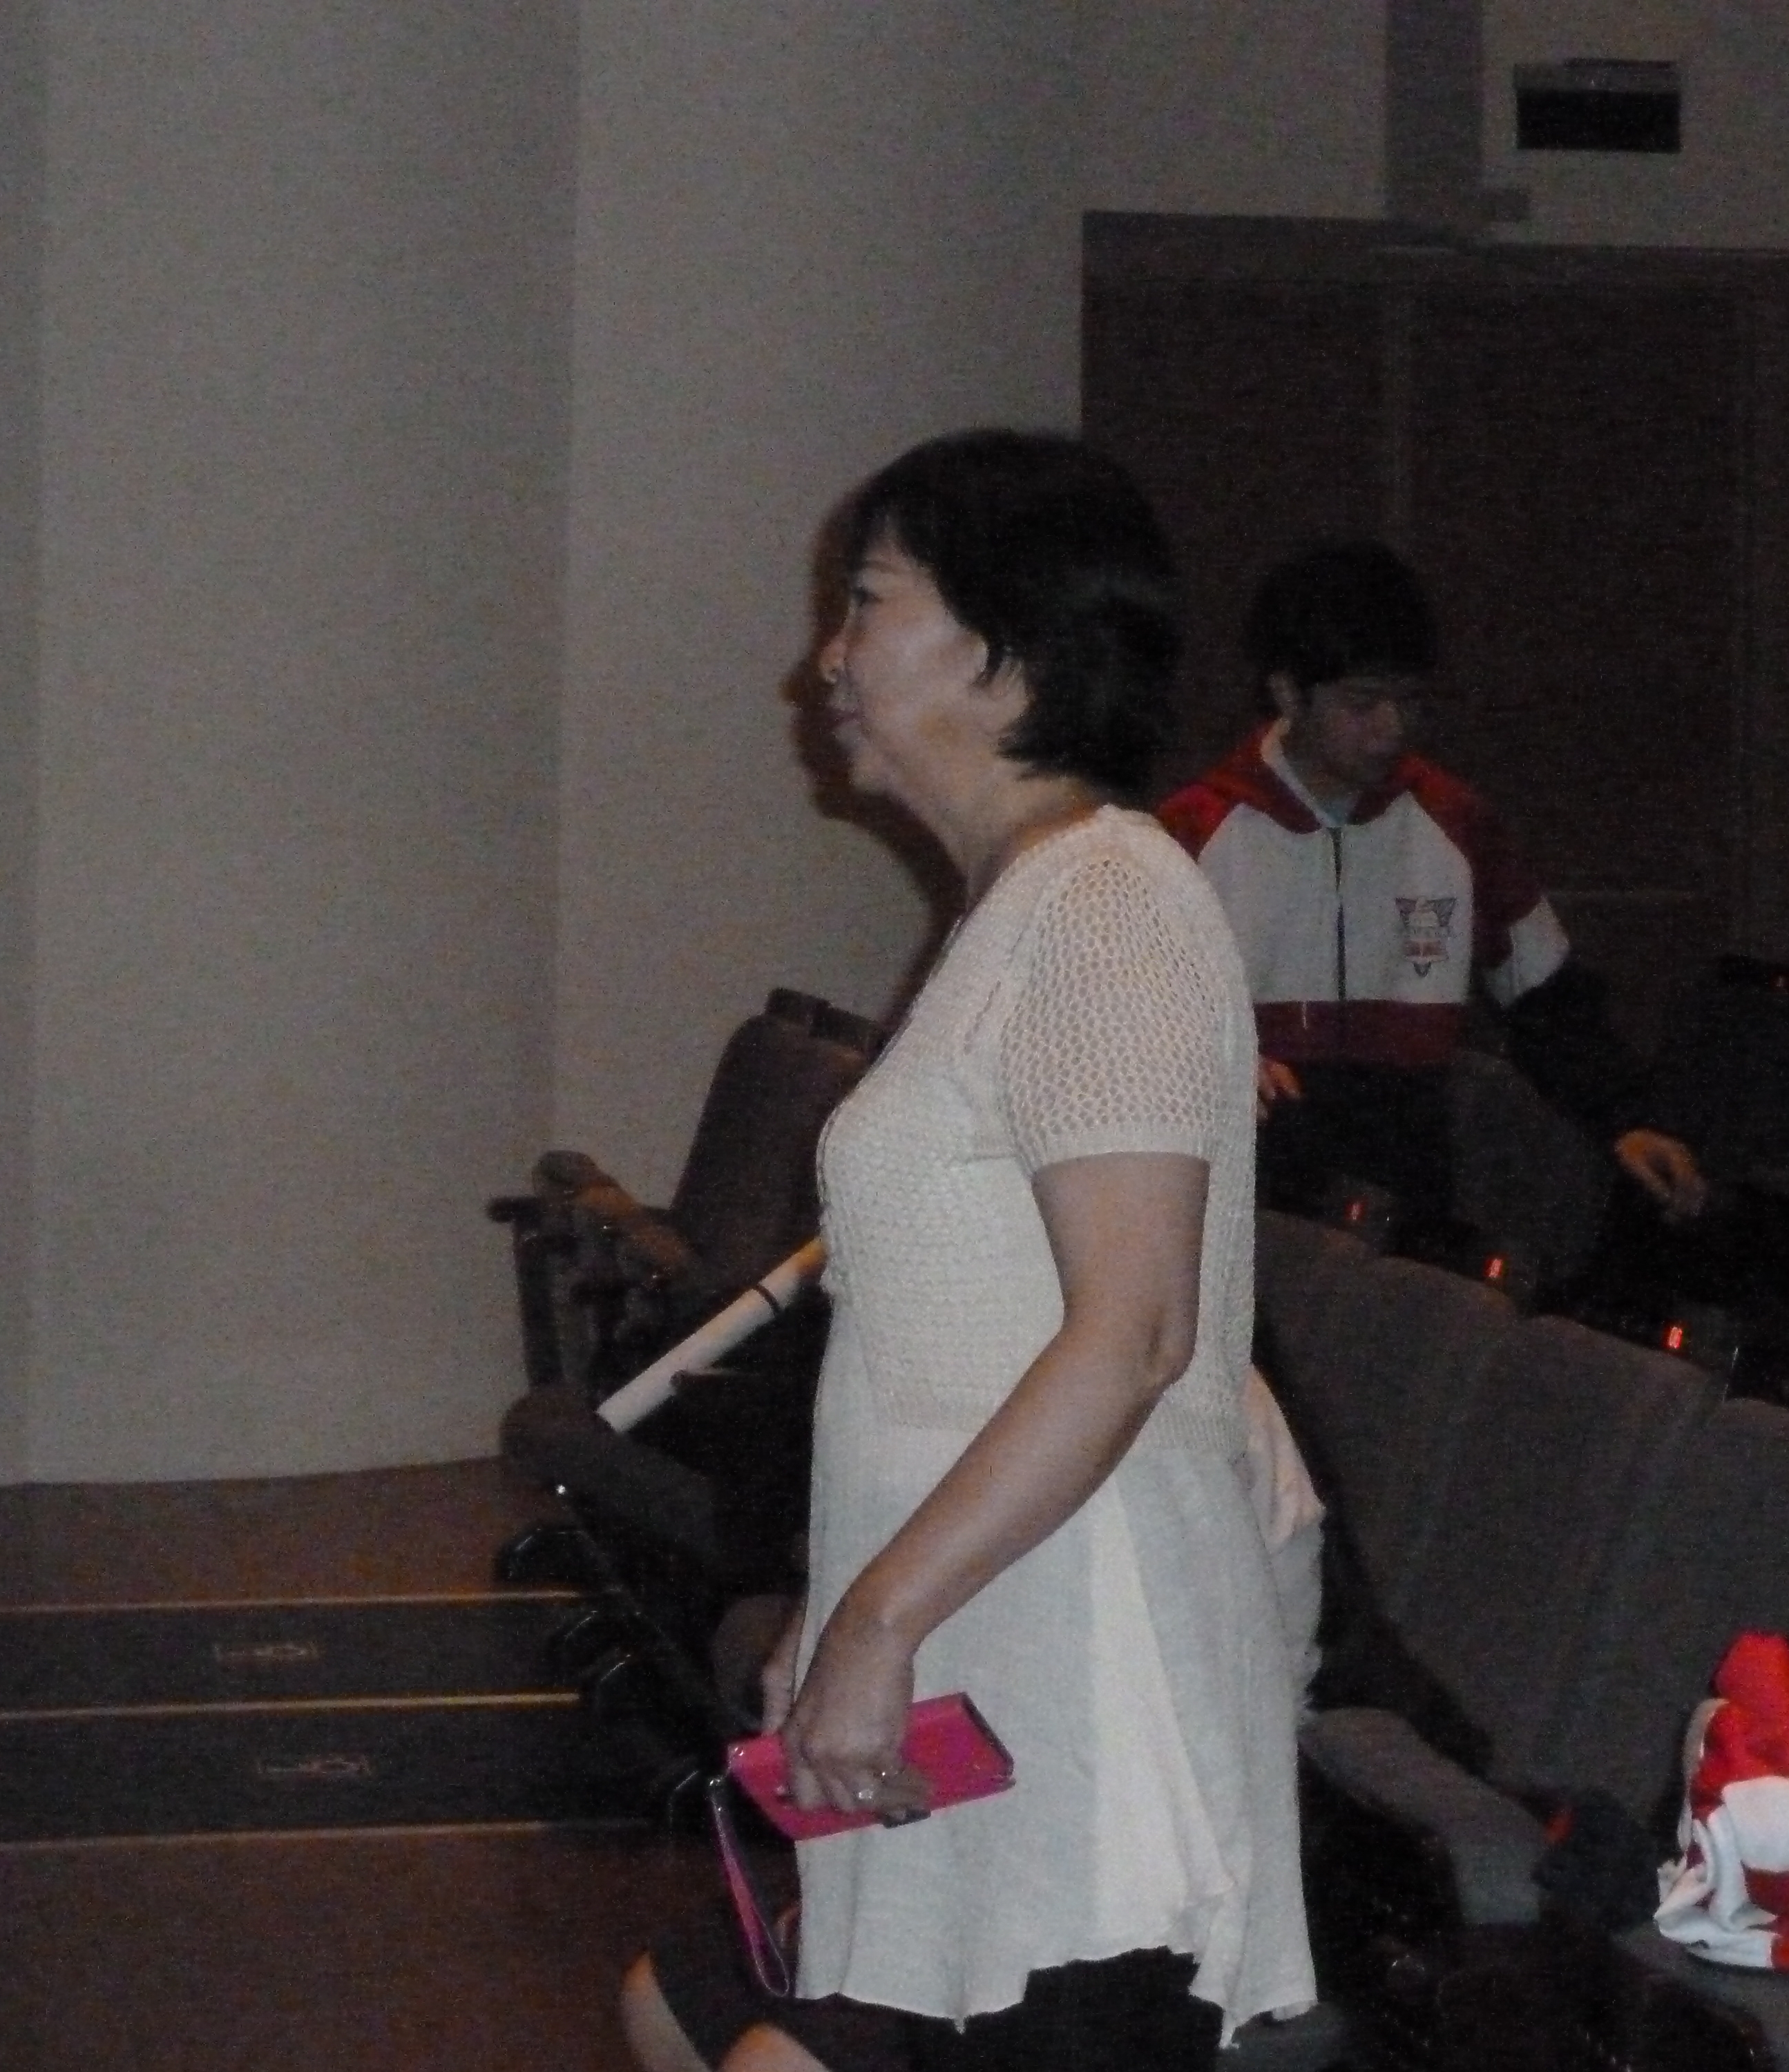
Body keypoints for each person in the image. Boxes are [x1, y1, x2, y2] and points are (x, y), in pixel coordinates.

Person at [622, 430, 1312, 2072]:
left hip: (1081, 1657)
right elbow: (953, 1335)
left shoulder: (1106, 905)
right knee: (682, 2009)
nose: (828, 659)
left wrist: (876, 1623)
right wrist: (846, 1602)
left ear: (1007, 651)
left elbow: (1130, 1336)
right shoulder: (1020, 907)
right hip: (982, 1634)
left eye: (867, 604)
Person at [1156, 539, 1704, 1246]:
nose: (1392, 729)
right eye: (1363, 704)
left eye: (1409, 701)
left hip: (1409, 1198)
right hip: (1248, 1206)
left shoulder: (1455, 821)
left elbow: (1549, 1001)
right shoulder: (1194, 833)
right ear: (1289, 693)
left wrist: (1625, 1121)